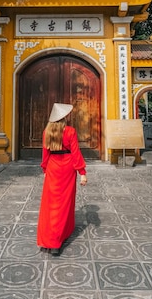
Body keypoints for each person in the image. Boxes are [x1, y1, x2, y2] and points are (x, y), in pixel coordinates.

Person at [37, 103, 87, 256]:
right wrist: (82, 172)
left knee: (50, 204)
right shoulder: (70, 131)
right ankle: (56, 242)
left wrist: (45, 169)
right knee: (64, 204)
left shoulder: (47, 132)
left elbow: (45, 154)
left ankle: (48, 239)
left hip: (53, 167)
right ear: (63, 118)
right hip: (67, 168)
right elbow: (76, 154)